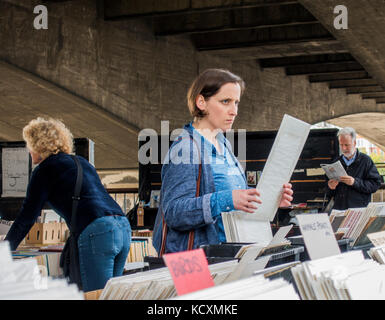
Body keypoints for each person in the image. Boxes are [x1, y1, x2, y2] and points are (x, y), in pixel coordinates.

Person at [152, 68, 293, 254]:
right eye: (225, 101)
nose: (234, 111)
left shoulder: (223, 145)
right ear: (201, 102)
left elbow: (235, 206)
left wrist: (269, 202)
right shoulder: (185, 149)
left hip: (229, 256)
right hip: (197, 263)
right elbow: (174, 213)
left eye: (236, 103)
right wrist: (228, 199)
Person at [5, 117, 131, 292]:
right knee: (110, 295)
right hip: (122, 227)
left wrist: (5, 251)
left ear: (38, 145)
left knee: (95, 295)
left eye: (29, 144)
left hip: (97, 232)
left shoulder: (44, 170)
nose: (28, 149)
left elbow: (27, 217)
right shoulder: (82, 163)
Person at [327, 127, 382, 210]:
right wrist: (331, 187)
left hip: (359, 210)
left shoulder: (366, 160)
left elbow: (375, 185)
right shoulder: (335, 162)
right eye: (341, 145)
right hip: (339, 209)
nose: (344, 148)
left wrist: (355, 182)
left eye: (347, 145)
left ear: (354, 143)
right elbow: (327, 192)